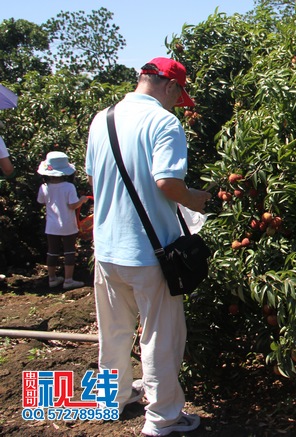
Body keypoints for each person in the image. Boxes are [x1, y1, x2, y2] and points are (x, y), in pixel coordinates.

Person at [85, 57, 211, 436]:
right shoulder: (162, 121)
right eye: (179, 96)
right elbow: (167, 183)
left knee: (114, 332)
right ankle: (163, 418)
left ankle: (111, 399)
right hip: (150, 253)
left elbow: (95, 179)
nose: (178, 105)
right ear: (169, 87)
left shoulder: (102, 118)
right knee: (160, 336)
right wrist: (196, 199)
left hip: (106, 250)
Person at [36, 151, 89, 289]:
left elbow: (41, 201)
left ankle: (52, 278)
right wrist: (82, 201)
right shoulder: (69, 187)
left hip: (51, 226)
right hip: (67, 224)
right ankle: (68, 280)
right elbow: (72, 205)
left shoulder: (44, 187)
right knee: (69, 251)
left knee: (52, 251)